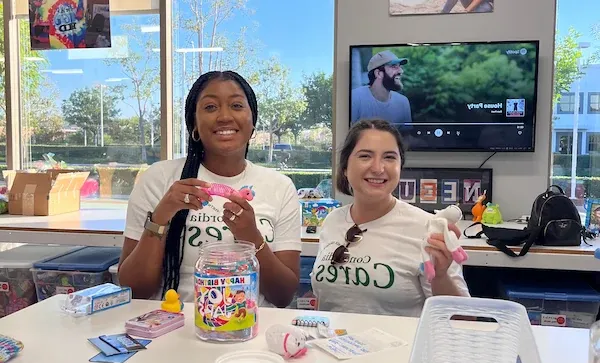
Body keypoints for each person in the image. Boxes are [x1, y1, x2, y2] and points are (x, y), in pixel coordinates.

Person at [118, 71, 302, 308]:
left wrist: (251, 236)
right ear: (194, 123)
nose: (224, 116)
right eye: (210, 107)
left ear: (252, 121)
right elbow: (135, 290)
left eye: (236, 105)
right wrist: (162, 215)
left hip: (249, 331)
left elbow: (283, 296)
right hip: (174, 329)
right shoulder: (159, 178)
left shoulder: (280, 186)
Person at [310, 119, 469, 317]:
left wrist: (441, 276)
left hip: (403, 347)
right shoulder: (333, 221)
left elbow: (464, 319)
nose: (378, 168)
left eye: (389, 157)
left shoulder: (428, 229)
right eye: (365, 156)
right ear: (345, 167)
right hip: (332, 344)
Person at [351, 50, 412, 126]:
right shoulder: (355, 98)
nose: (401, 71)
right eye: (394, 66)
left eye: (400, 67)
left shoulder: (403, 102)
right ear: (378, 73)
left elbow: (406, 136)